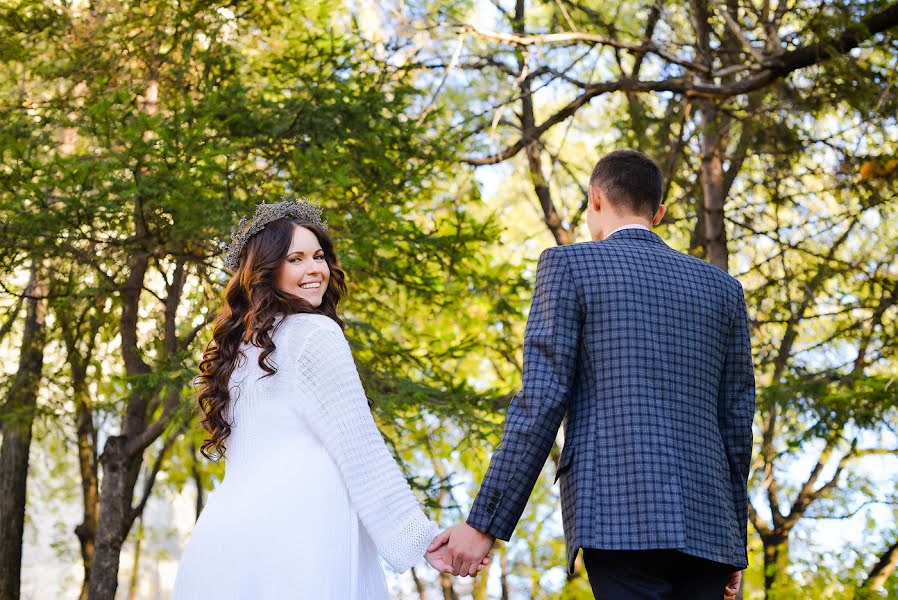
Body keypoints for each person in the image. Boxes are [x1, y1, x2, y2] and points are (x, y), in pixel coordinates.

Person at [432, 150, 755, 599]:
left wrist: (483, 523)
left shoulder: (568, 266)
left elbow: (542, 401)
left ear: (595, 198)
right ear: (658, 213)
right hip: (710, 525)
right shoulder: (724, 290)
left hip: (618, 513)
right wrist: (733, 542)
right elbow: (738, 428)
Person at [173, 200, 483, 599]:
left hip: (222, 545)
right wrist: (419, 539)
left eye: (318, 256)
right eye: (296, 259)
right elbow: (360, 448)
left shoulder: (237, 354)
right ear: (267, 269)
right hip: (298, 536)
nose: (315, 269)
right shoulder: (312, 334)